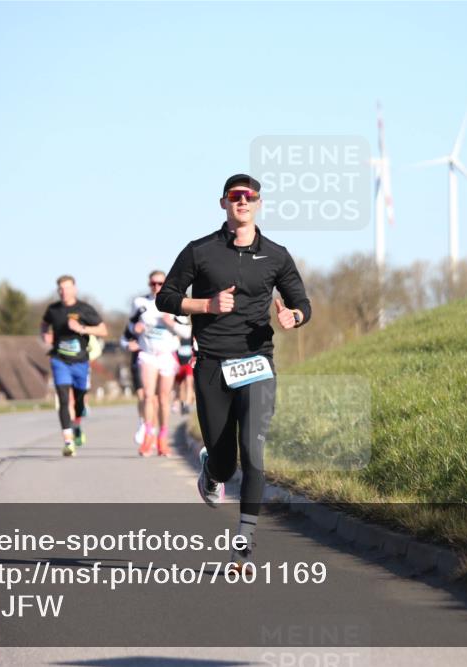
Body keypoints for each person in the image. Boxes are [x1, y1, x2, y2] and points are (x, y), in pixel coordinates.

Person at [157, 174, 311, 569]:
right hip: (212, 363)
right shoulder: (200, 251)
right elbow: (166, 298)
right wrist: (206, 306)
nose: (242, 201)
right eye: (235, 196)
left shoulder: (276, 255)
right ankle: (212, 470)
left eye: (249, 196)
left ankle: (243, 544)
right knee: (225, 461)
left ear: (259, 203)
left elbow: (302, 303)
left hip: (257, 362)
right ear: (223, 203)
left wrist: (293, 317)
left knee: (253, 451)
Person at [40, 275, 108, 457]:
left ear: (74, 289)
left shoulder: (84, 309)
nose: (64, 292)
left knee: (79, 400)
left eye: (67, 288)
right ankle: (68, 441)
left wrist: (82, 329)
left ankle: (76, 425)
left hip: (80, 361)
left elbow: (103, 330)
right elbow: (44, 324)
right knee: (63, 399)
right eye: (61, 289)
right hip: (59, 359)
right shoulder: (53, 309)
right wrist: (45, 334)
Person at [131, 270, 191, 457]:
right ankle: (148, 435)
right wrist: (136, 328)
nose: (156, 287)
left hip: (166, 355)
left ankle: (162, 438)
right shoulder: (140, 303)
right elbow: (130, 326)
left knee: (164, 398)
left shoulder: (175, 303)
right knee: (148, 395)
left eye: (160, 283)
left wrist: (171, 324)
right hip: (148, 354)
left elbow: (188, 332)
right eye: (153, 283)